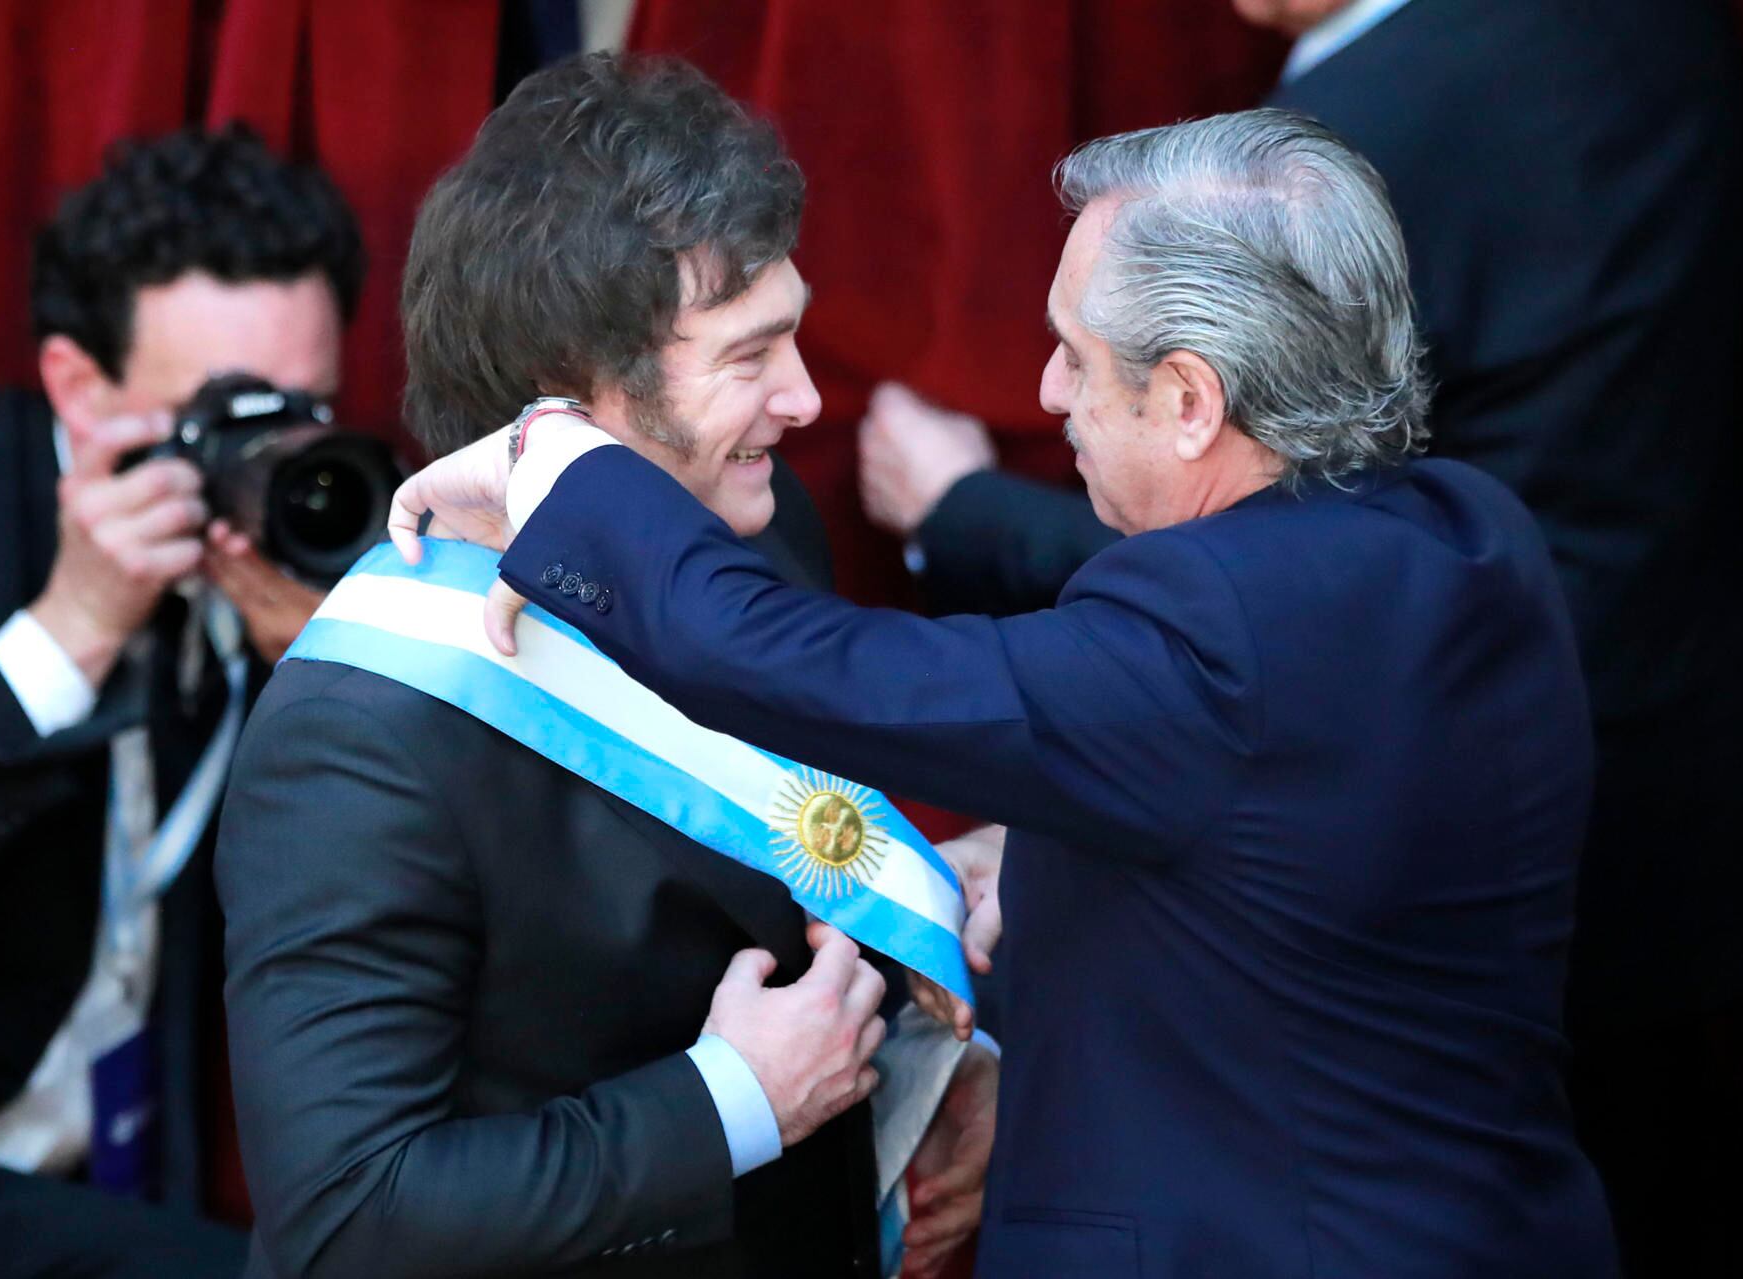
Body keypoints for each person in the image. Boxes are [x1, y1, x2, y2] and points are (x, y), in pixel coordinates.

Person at [397, 108, 1621, 1277]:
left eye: (1076, 356)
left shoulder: (1210, 642)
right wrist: (1038, 865)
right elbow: (1291, 862)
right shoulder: (1473, 534)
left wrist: (564, 472)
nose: (1045, 393)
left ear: (1191, 402)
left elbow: (815, 671)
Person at [863, 3, 1743, 1269]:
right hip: (1677, 785)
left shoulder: (1326, 167)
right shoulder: (1653, 28)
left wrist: (960, 512)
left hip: (1389, 838)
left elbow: (1273, 558)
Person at [214, 53, 996, 1279]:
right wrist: (730, 1103)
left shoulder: (756, 523)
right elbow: (347, 1216)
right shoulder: (353, 740)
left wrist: (935, 1049)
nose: (801, 399)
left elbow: (782, 882)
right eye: (750, 356)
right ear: (574, 400)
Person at [0, 123, 361, 1276]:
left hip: (122, 1178)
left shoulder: (295, 550)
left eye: (310, 410)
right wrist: (69, 630)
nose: (277, 457)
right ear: (78, 388)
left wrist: (324, 668)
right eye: (233, 417)